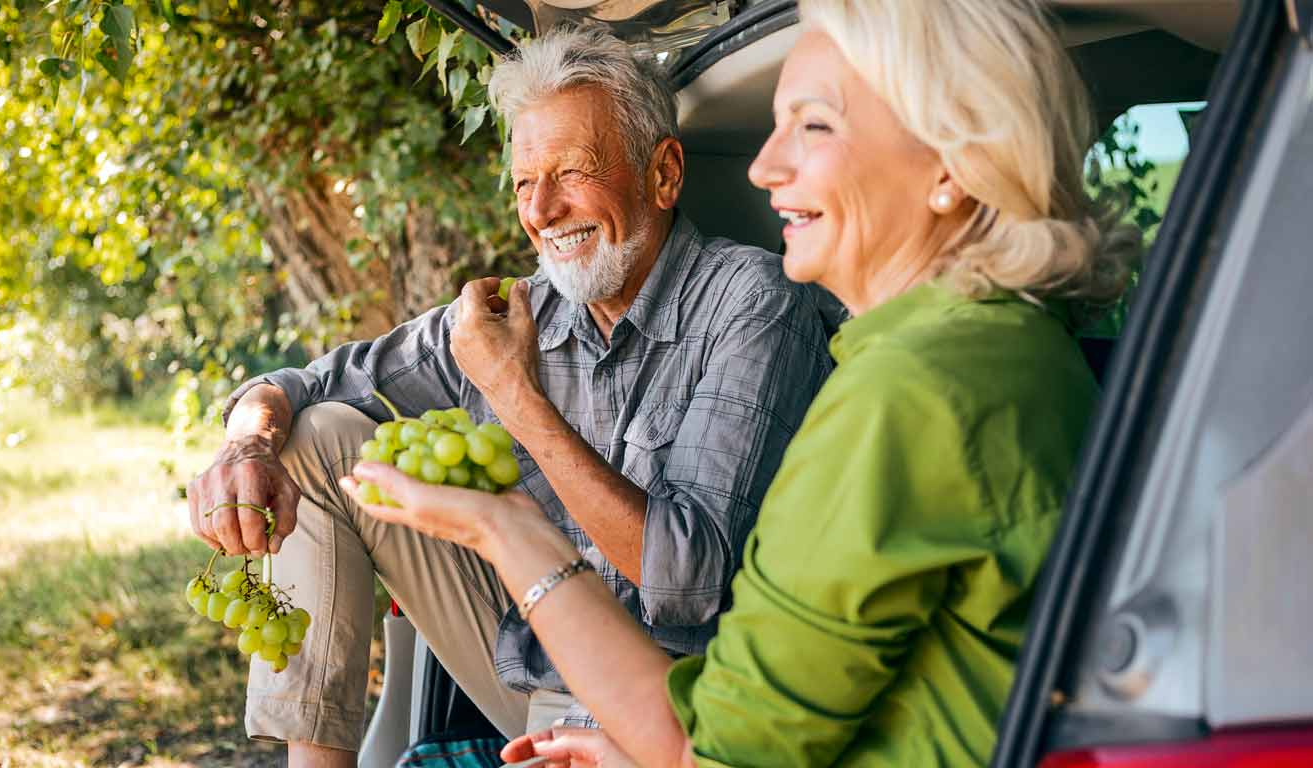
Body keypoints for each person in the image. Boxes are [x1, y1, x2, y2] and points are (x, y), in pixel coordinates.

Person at [342, 0, 1138, 765]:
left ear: (951, 166)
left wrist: (504, 528)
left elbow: (713, 749)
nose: (764, 165)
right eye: (778, 125)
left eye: (814, 126)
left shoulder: (908, 393)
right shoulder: (1011, 345)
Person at [186, 25, 832, 766]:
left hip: (680, 716)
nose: (543, 211)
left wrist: (513, 393)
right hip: (538, 690)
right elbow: (301, 384)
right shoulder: (516, 309)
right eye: (526, 183)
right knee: (318, 434)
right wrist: (246, 445)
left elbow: (686, 580)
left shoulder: (752, 301)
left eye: (572, 173)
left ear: (663, 174)